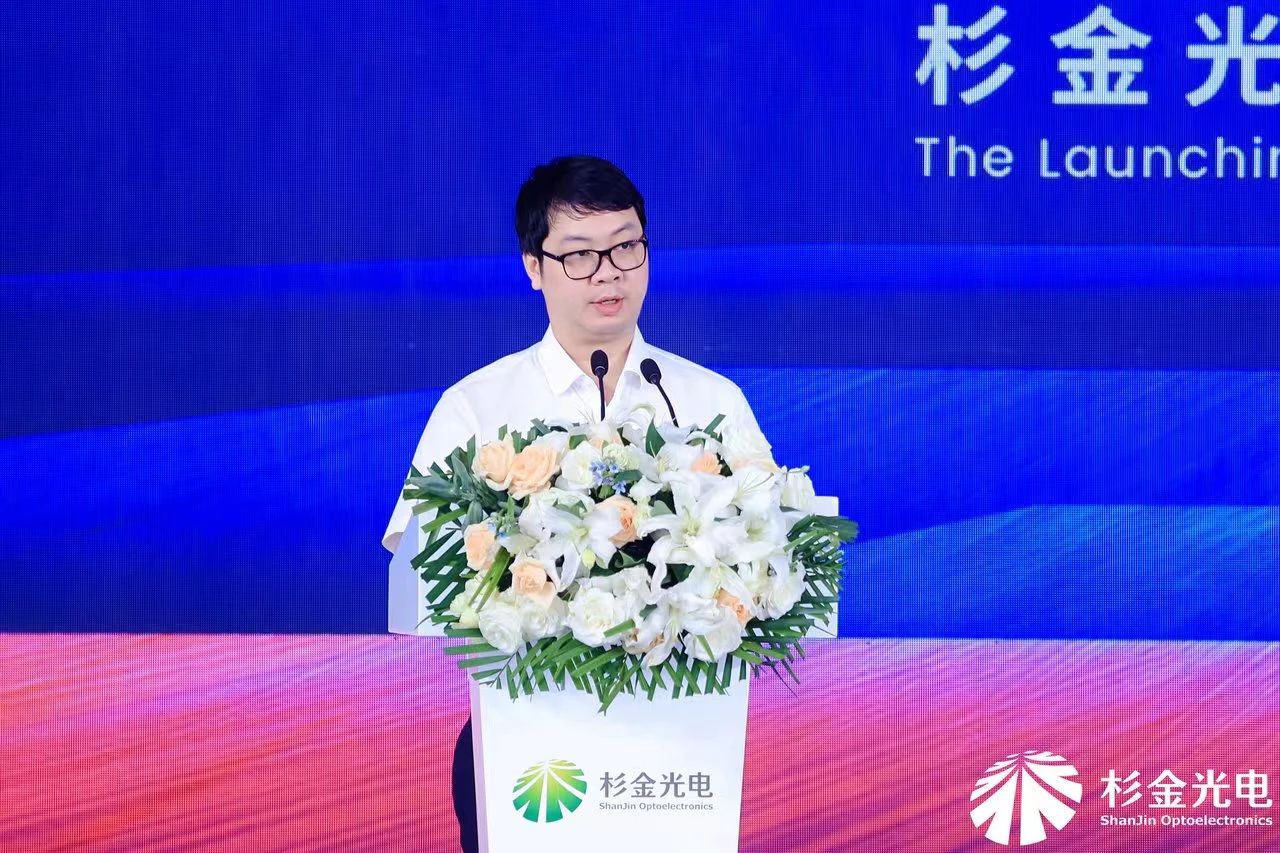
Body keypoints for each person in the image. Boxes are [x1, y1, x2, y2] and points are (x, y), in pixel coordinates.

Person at [381, 155, 769, 853]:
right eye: (580, 255)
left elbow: (770, 551)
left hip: (682, 745)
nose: (608, 273)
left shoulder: (708, 400)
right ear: (534, 267)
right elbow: (420, 570)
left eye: (626, 247)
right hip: (525, 744)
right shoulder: (478, 406)